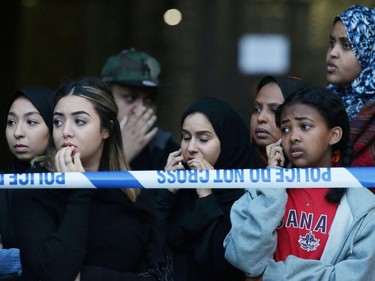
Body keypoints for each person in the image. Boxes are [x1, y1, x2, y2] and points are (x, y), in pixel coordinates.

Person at [11, 77, 172, 281]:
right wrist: (79, 191)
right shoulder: (35, 186)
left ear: (106, 129)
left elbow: (157, 273)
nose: (65, 132)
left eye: (79, 121)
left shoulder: (130, 188)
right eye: (58, 122)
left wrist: (90, 276)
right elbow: (56, 272)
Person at [224, 87, 375, 281]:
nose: (293, 137)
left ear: (334, 135)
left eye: (305, 126)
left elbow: (355, 277)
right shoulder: (262, 190)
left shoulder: (363, 207)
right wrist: (273, 185)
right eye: (285, 129)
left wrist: (270, 275)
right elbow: (245, 259)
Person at [154, 96, 261, 281]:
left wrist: (206, 195)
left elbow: (224, 266)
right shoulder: (179, 188)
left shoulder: (250, 194)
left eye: (203, 139)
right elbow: (147, 248)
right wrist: (167, 192)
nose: (191, 148)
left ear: (227, 141)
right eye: (186, 137)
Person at [0, 87, 55, 280]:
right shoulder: (3, 183)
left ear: (53, 126)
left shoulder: (69, 182)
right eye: (11, 122)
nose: (17, 132)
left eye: (31, 122)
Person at [100, 48, 179, 170]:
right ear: (105, 97)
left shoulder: (166, 149)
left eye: (149, 100)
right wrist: (122, 155)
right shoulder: (86, 139)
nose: (141, 109)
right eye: (130, 98)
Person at [326, 5, 375, 168]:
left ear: (369, 51)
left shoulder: (371, 112)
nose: (333, 52)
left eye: (346, 45)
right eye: (331, 43)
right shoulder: (323, 102)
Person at [250, 75, 310, 166]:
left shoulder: (325, 171)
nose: (260, 118)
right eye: (257, 109)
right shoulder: (237, 163)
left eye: (274, 111)